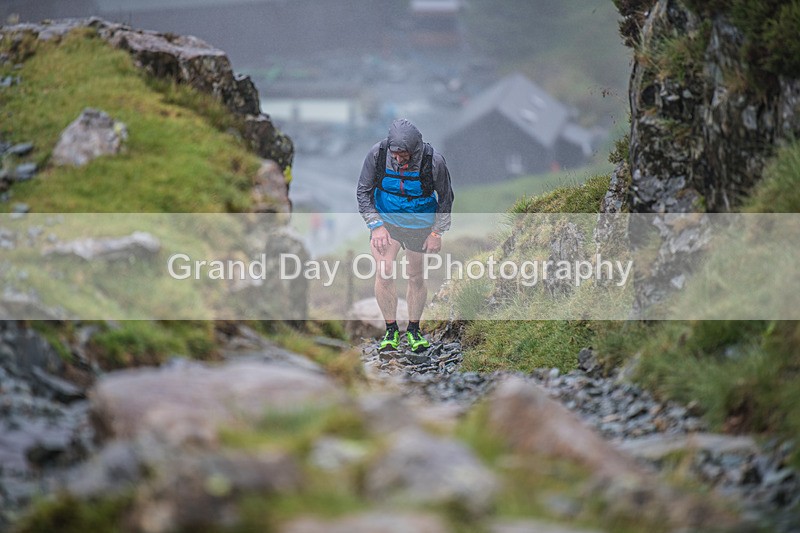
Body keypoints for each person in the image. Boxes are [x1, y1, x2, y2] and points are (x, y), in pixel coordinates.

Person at [356, 118, 454, 351]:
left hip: (419, 223)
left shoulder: (434, 162)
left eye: (405, 155)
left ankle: (414, 330)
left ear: (416, 150)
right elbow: (363, 191)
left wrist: (436, 233)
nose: (399, 160)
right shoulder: (377, 155)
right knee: (384, 271)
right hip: (386, 221)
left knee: (415, 277)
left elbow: (446, 198)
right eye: (395, 154)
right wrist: (376, 225)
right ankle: (391, 331)